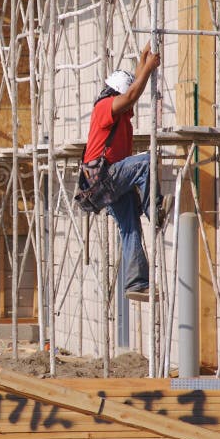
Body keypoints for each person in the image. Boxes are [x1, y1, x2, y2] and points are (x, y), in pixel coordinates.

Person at [81, 43, 172, 302]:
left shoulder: (120, 118)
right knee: (145, 162)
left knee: (131, 227)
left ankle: (136, 283)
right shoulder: (104, 107)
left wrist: (143, 63)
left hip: (107, 185)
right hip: (102, 180)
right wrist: (150, 67)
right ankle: (155, 209)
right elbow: (131, 95)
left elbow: (132, 91)